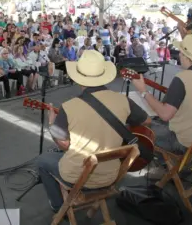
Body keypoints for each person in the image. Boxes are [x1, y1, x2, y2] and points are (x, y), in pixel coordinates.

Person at [37, 50, 150, 213]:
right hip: (111, 175)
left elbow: (64, 145)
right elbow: (146, 120)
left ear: (79, 77)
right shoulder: (123, 100)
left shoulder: (69, 107)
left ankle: (57, 206)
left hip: (78, 176)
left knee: (43, 160)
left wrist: (52, 123)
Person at [131, 35, 192, 179]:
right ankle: (165, 163)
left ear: (185, 56)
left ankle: (164, 165)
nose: (178, 55)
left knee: (141, 130)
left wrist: (143, 91)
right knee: (157, 123)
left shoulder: (182, 78)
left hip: (185, 142)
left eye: (181, 52)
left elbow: (165, 114)